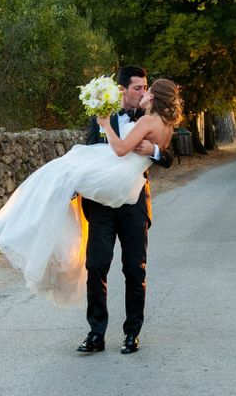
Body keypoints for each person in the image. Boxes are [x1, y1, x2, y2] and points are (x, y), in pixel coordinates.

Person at [78, 67, 180, 355]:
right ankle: (96, 333)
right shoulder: (102, 119)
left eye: (146, 87)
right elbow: (89, 155)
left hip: (134, 206)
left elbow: (170, 158)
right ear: (122, 90)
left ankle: (132, 334)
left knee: (135, 269)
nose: (142, 92)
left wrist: (154, 151)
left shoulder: (152, 120)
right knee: (96, 266)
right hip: (102, 207)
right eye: (138, 88)